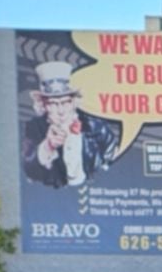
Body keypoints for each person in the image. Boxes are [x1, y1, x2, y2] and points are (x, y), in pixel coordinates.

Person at [21, 61, 119, 189]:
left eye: (65, 102)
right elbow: (28, 170)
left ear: (73, 102)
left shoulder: (96, 127)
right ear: (44, 106)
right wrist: (47, 146)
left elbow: (113, 163)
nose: (61, 111)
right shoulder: (33, 129)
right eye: (54, 104)